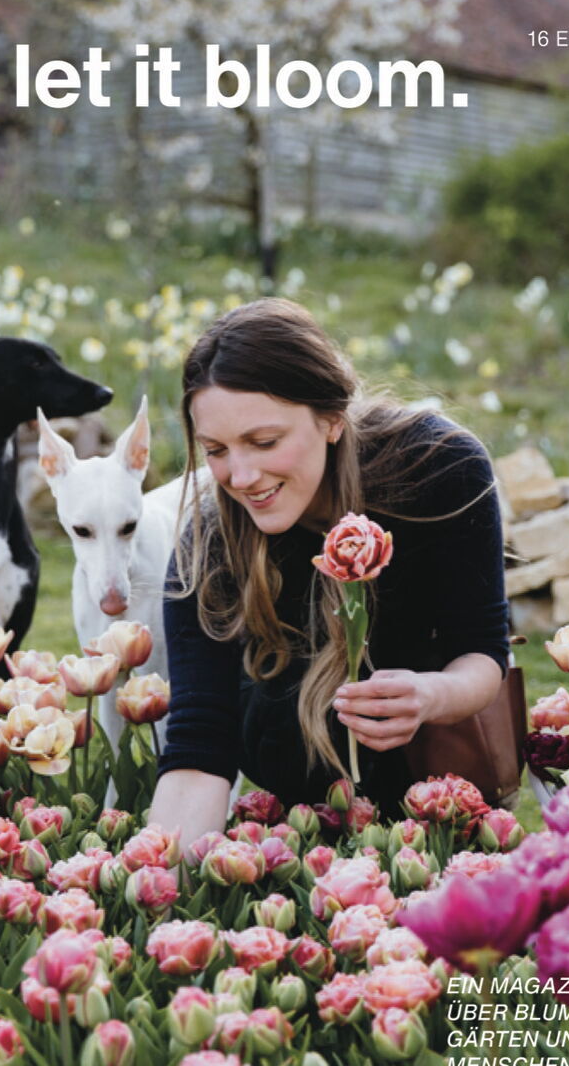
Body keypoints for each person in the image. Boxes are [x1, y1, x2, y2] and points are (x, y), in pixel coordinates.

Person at [149, 298, 509, 854]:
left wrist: (429, 694)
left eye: (264, 442)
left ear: (332, 418)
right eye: (216, 450)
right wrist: (156, 877)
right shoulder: (211, 543)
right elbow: (200, 742)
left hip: (439, 814)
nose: (241, 477)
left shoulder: (438, 469)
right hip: (296, 831)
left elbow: (483, 651)